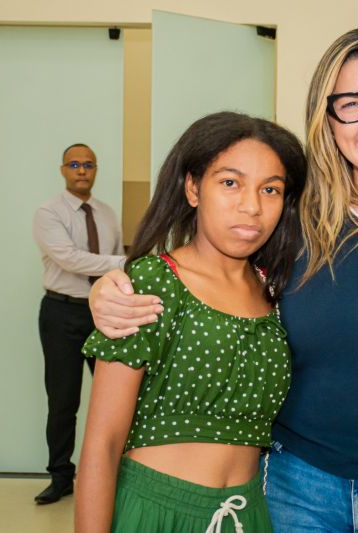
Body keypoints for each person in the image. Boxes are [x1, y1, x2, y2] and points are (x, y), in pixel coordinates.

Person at [89, 25, 358, 533]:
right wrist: (108, 289)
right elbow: (206, 273)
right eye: (352, 104)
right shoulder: (290, 218)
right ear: (328, 119)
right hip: (296, 490)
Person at [74, 111, 307, 532]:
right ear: (193, 188)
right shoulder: (153, 282)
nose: (251, 206)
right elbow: (102, 444)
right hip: (155, 513)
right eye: (230, 183)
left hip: (246, 515)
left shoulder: (276, 292)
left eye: (270, 189)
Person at [32, 143, 126, 504]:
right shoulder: (49, 213)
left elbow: (111, 264)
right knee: (63, 400)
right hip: (61, 313)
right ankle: (60, 477)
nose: (82, 170)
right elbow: (71, 259)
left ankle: (115, 475)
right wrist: (124, 261)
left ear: (96, 170)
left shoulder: (107, 213)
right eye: (74, 165)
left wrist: (120, 264)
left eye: (88, 165)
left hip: (102, 311)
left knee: (115, 399)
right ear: (63, 170)